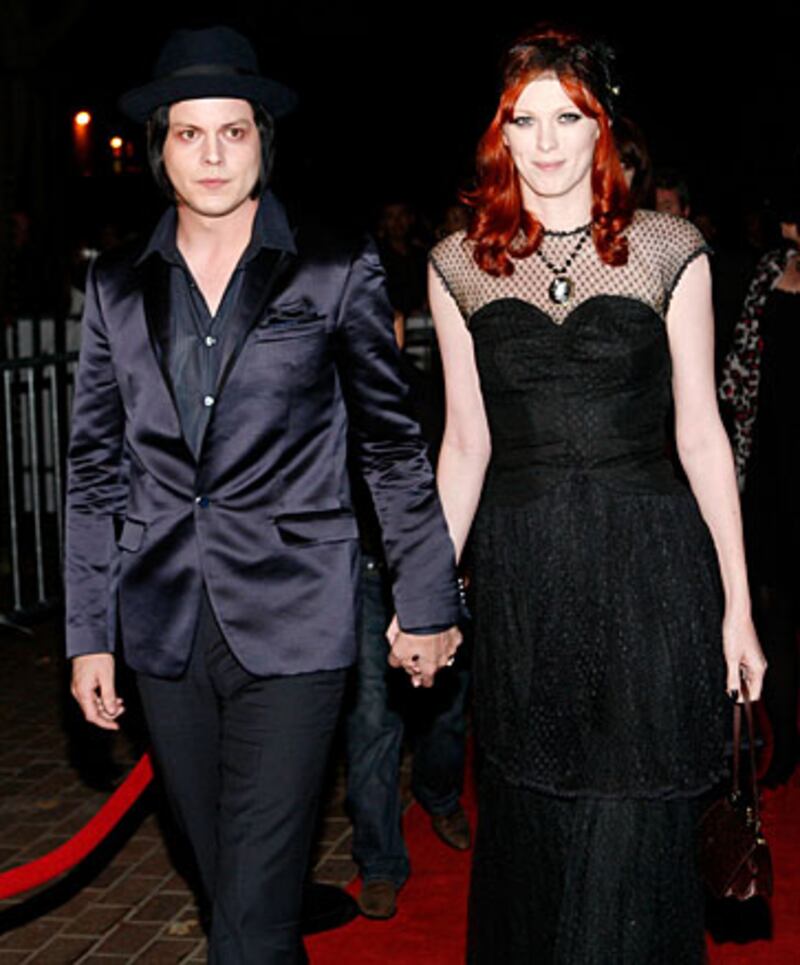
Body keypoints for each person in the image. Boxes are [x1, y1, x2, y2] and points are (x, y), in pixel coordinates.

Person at [65, 25, 462, 964]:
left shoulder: (332, 264)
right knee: (235, 891)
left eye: (232, 132)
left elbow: (391, 446)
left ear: (262, 141)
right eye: (189, 133)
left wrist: (427, 598)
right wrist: (88, 631)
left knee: (248, 915)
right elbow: (93, 466)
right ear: (160, 148)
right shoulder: (116, 286)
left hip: (296, 615)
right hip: (161, 622)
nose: (212, 155)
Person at [428, 27, 766, 963]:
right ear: (500, 133)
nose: (545, 143)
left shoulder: (668, 249)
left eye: (567, 119)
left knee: (632, 819)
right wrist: (423, 596)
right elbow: (464, 444)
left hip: (649, 566)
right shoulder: (459, 263)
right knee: (535, 816)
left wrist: (738, 605)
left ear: (602, 127)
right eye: (523, 121)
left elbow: (702, 435)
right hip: (525, 578)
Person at [720, 191, 800, 787]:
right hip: (771, 461)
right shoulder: (770, 270)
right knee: (771, 606)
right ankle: (786, 742)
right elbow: (739, 369)